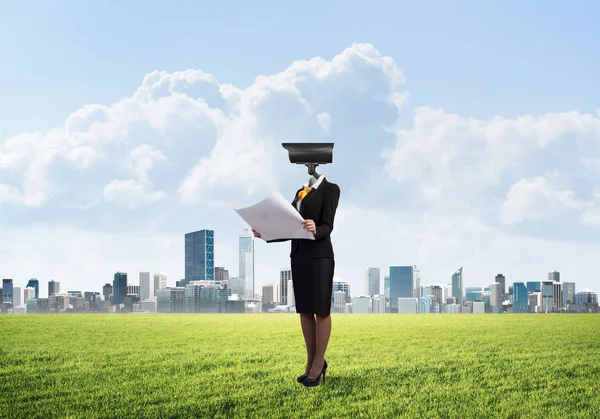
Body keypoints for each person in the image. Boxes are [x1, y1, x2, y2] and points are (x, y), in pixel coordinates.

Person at [252, 172, 340, 387]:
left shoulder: (331, 189)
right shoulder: (300, 194)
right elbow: (290, 227)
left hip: (320, 257)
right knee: (305, 311)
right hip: (299, 256)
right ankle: (310, 363)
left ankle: (319, 363)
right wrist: (265, 234)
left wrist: (315, 228)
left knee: (321, 310)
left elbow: (328, 225)